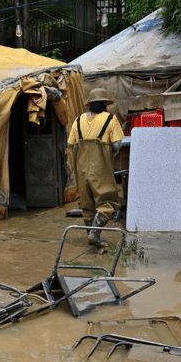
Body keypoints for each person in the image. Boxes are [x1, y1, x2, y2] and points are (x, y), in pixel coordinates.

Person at [68, 88, 124, 245]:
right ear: (105, 104)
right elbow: (117, 145)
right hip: (100, 168)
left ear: (90, 104)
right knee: (109, 200)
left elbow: (71, 145)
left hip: (81, 169)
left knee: (87, 204)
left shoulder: (78, 120)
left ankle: (92, 236)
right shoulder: (110, 119)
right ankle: (95, 232)